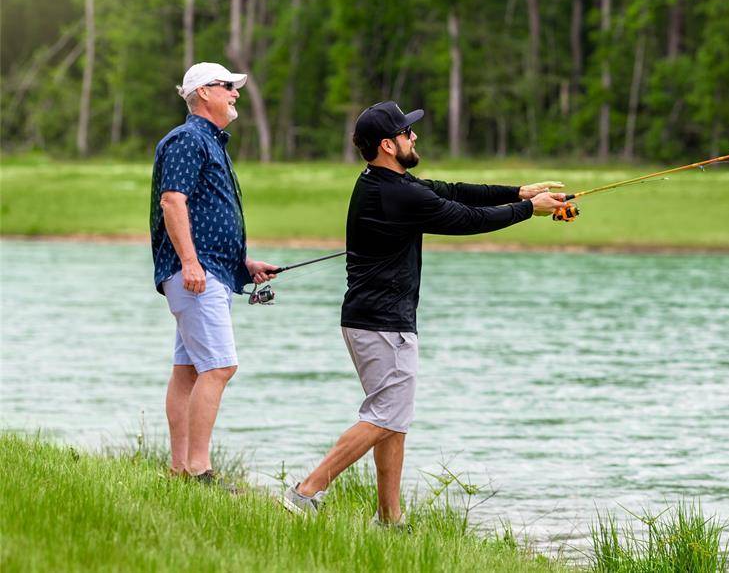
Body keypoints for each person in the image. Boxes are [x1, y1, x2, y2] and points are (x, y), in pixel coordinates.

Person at [281, 100, 566, 520]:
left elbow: (450, 191)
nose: (414, 136)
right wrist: (528, 210)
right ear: (388, 145)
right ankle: (305, 492)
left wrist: (519, 192)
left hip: (370, 320)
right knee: (383, 416)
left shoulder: (386, 183)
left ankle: (390, 519)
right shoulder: (396, 194)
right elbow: (466, 218)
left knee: (393, 419)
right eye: (406, 132)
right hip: (383, 324)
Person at [150, 62, 278, 482]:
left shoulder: (210, 142)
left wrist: (243, 264)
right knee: (220, 367)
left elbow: (204, 215)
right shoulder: (188, 139)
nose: (235, 93)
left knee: (188, 371)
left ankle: (179, 469)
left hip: (211, 272)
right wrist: (190, 262)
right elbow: (173, 202)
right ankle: (200, 469)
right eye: (228, 87)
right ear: (204, 92)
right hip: (196, 275)